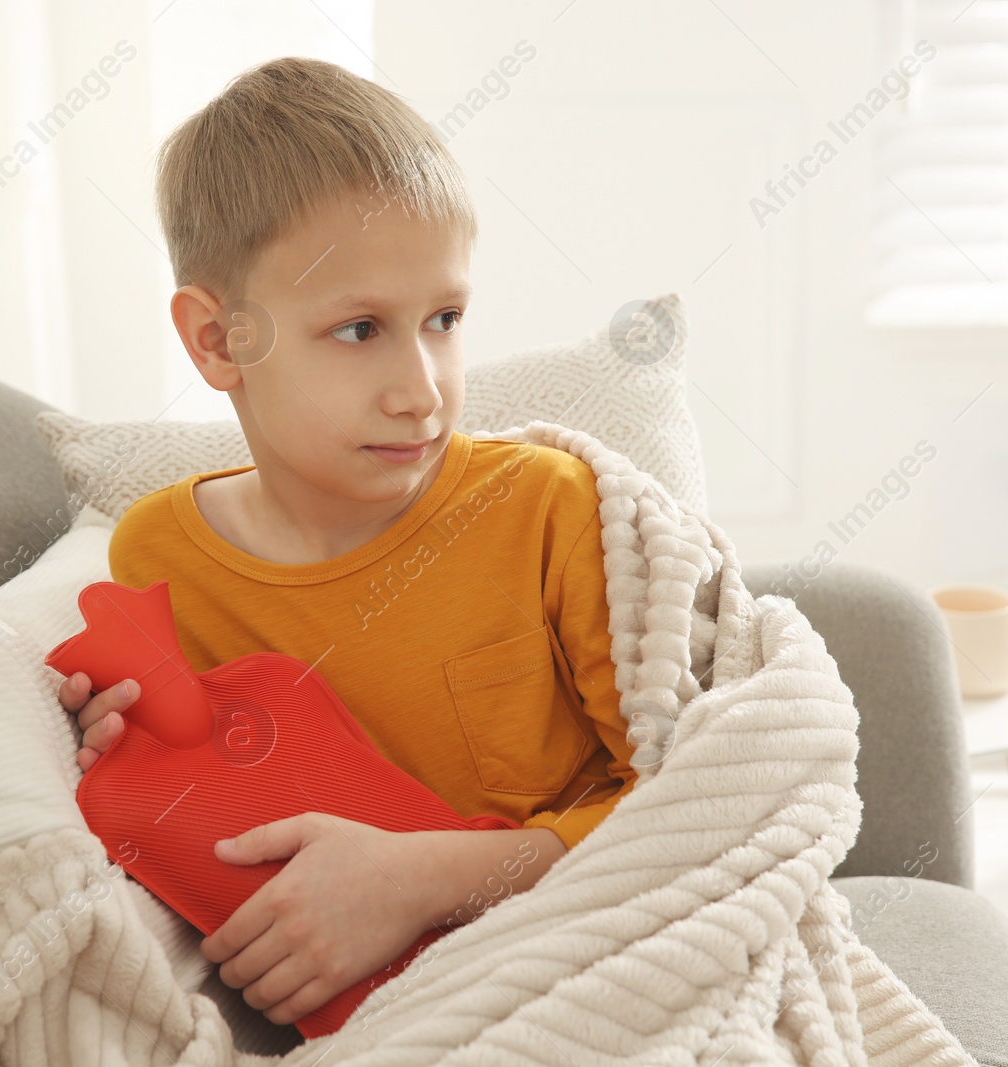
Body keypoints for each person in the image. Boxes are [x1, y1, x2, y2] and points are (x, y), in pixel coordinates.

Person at [55, 55, 635, 1028]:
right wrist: (125, 758)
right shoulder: (158, 559)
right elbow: (220, 836)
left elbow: (695, 803)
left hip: (595, 957)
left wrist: (425, 878)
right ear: (216, 340)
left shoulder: (547, 508)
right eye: (361, 329)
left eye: (444, 319)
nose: (422, 388)